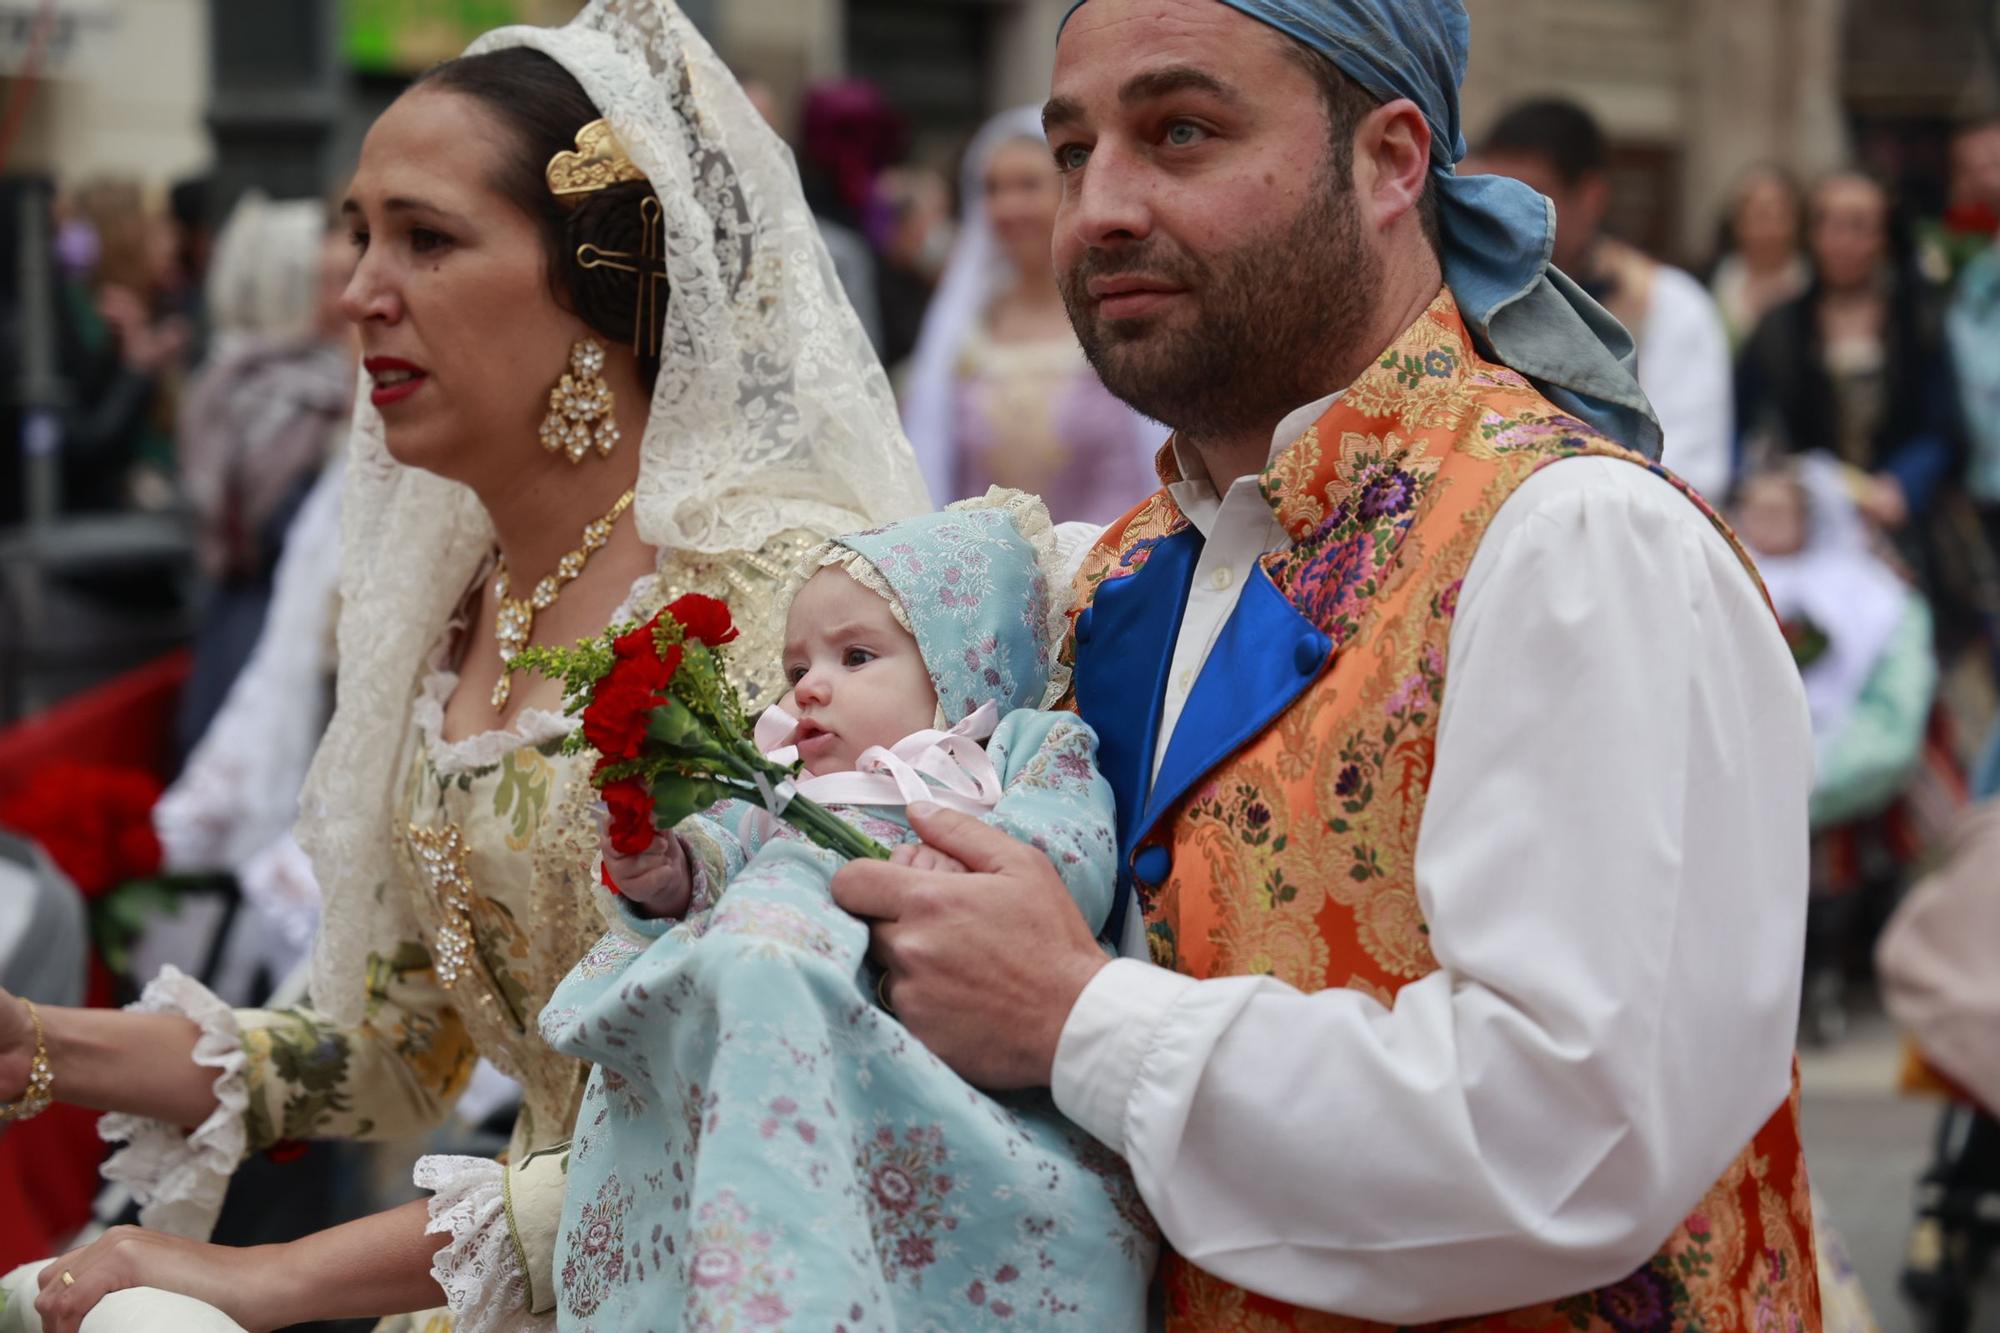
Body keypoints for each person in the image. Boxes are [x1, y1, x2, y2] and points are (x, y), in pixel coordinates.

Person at [830, 1, 1822, 1328]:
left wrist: (1077, 1017)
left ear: (1392, 162)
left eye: (1180, 131)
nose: (1102, 207)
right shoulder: (1129, 570)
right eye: (1074, 152)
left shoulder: (1577, 540)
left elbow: (1570, 1133)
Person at [0, 3, 926, 1330]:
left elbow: (762, 1110)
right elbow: (400, 1050)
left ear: (596, 283)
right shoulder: (447, 613)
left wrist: (260, 1277)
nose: (360, 287)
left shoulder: (790, 603)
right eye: (361, 231)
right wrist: (42, 1044)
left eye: (427, 238)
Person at [541, 492, 1154, 1329]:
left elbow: (1071, 845)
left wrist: (981, 861)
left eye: (856, 655)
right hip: (767, 1000)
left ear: (959, 661)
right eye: (797, 670)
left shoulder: (1003, 755)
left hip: (921, 1031)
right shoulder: (775, 784)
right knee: (745, 984)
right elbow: (717, 859)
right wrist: (670, 871)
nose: (811, 689)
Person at [902, 107, 1163, 522]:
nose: (1008, 207)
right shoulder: (963, 330)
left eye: (1028, 186)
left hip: (1114, 569)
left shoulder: (1118, 310)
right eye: (993, 189)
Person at [1475, 98, 1737, 498]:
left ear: (1591, 197)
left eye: (1527, 196)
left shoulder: (1671, 305)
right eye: (1491, 194)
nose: (1502, 219)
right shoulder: (1460, 296)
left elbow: (1691, 467)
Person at [174, 193, 353, 755]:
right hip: (260, 616)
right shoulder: (262, 385)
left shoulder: (327, 373)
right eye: (327, 279)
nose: (346, 295)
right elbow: (270, 522)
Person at [1738, 171, 1964, 533]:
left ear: (1883, 237)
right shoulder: (1778, 327)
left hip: (1898, 516)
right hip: (1801, 518)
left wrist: (1903, 483)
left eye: (1858, 226)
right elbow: (1746, 422)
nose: (1841, 240)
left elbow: (1943, 428)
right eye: (1829, 224)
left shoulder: (1918, 324)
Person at [1710, 165, 1811, 348]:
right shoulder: (1709, 279)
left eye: (1781, 216)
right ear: (1738, 222)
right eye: (1761, 216)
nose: (1771, 229)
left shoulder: (1812, 279)